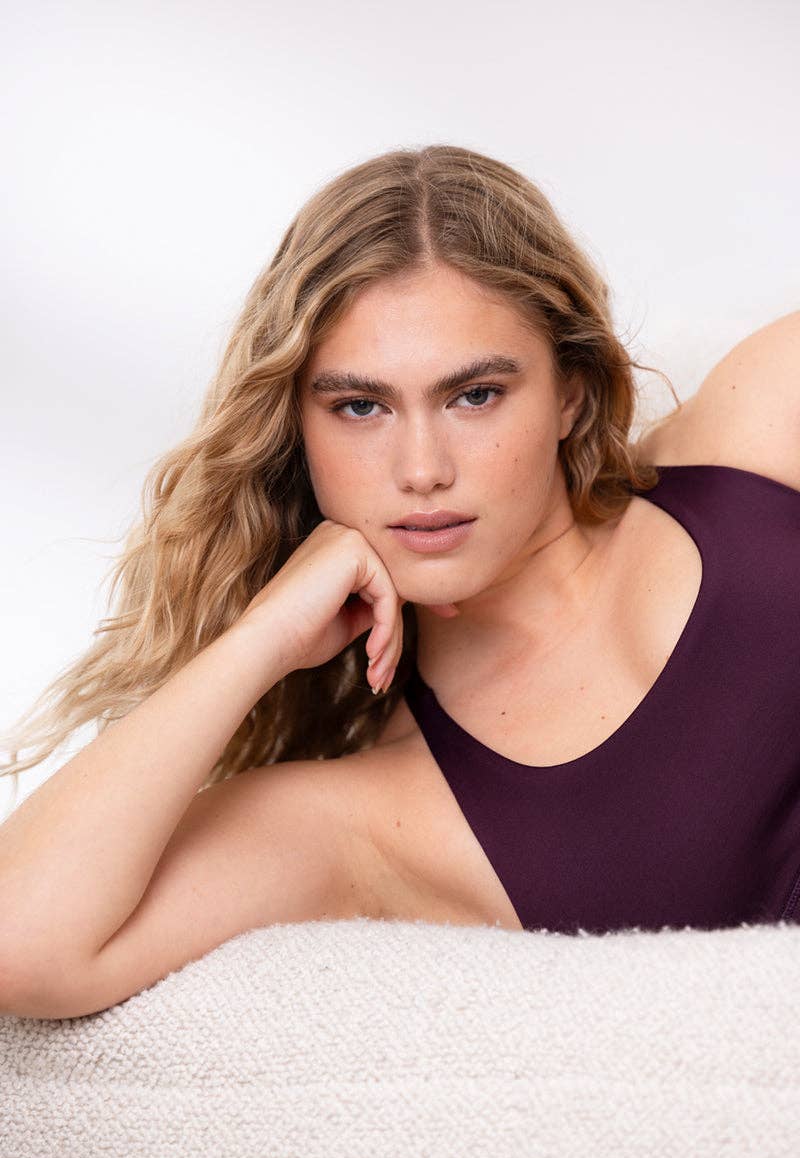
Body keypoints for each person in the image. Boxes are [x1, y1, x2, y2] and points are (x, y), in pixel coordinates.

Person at [1, 144, 799, 1021]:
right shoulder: (384, 817)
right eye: (360, 408)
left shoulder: (759, 430)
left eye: (475, 395)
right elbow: (22, 944)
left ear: (571, 393)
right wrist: (262, 635)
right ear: (295, 433)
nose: (422, 470)